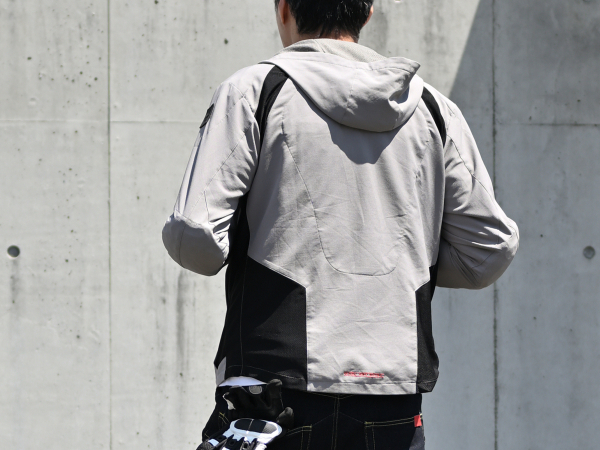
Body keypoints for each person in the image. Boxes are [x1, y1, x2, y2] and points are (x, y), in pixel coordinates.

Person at [162, 0, 519, 448]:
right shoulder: (433, 108)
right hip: (392, 393)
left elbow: (195, 237)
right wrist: (402, 263)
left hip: (272, 389)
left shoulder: (255, 90)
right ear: (367, 13)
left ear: (284, 8)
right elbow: (488, 251)